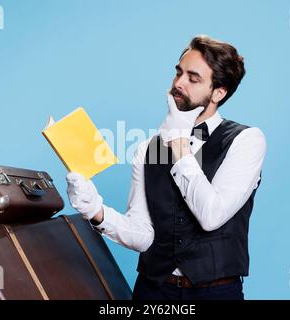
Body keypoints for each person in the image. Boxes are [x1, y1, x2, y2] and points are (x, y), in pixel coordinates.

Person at [66, 35, 267, 300]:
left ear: (219, 92)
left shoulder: (246, 141)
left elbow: (211, 215)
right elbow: (143, 235)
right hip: (153, 290)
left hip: (216, 293)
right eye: (178, 73)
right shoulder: (148, 149)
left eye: (193, 78)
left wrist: (179, 145)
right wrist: (96, 211)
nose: (178, 84)